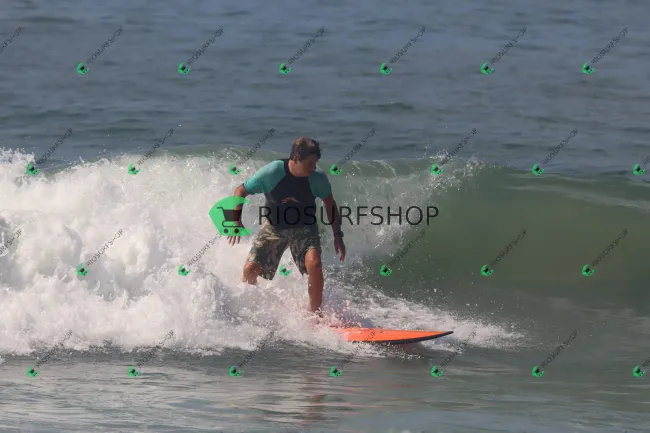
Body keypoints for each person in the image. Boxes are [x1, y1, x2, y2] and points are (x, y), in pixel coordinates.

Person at [226, 136, 346, 318]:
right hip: (274, 226)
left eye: (315, 163)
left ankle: (317, 316)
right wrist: (235, 220)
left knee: (314, 264)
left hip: (305, 227)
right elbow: (240, 190)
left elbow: (330, 203)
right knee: (250, 271)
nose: (314, 167)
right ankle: (249, 310)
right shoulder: (273, 172)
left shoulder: (317, 178)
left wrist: (338, 235)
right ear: (295, 159)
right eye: (310, 163)